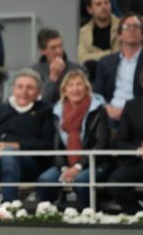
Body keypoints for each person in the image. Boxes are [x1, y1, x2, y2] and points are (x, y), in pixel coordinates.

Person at [37, 70, 110, 209]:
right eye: (70, 85)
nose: (75, 89)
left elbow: (101, 144)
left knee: (81, 180)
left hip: (94, 163)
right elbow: (57, 147)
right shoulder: (58, 112)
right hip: (66, 165)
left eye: (79, 84)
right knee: (45, 180)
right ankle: (52, 214)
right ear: (64, 90)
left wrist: (77, 168)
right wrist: (65, 168)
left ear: (86, 88)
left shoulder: (98, 110)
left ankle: (90, 213)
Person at [0, 68, 54, 202]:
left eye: (30, 88)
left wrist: (17, 146)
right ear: (13, 89)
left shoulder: (45, 111)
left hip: (30, 166)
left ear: (38, 92)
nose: (24, 92)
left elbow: (48, 144)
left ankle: (9, 206)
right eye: (20, 87)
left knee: (9, 153)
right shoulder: (0, 110)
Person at [93, 12, 143, 123]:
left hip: (140, 114)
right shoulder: (106, 62)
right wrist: (108, 108)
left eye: (136, 26)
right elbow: (97, 94)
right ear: (119, 35)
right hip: (112, 113)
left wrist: (130, 111)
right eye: (127, 27)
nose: (132, 30)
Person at [108, 64, 143, 214]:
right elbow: (119, 142)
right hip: (136, 161)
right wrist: (139, 150)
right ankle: (138, 216)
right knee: (114, 184)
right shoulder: (132, 106)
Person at [32, 28, 85, 104]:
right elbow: (39, 102)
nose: (59, 51)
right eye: (53, 48)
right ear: (43, 51)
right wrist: (53, 77)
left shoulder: (77, 69)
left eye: (60, 46)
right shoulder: (34, 72)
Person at [78, 0, 121, 81]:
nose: (104, 7)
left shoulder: (123, 26)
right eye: (98, 4)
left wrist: (94, 55)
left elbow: (121, 55)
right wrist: (109, 53)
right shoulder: (83, 32)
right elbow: (81, 58)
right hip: (94, 76)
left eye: (106, 2)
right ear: (90, 10)